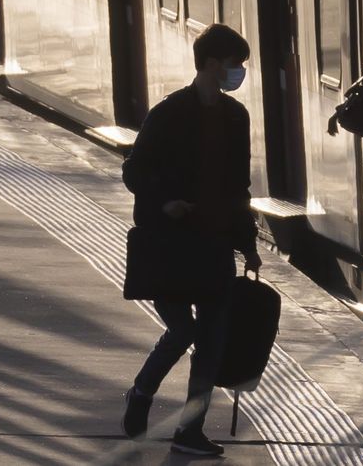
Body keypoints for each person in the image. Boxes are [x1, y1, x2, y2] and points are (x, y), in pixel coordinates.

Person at [120, 24, 261, 458]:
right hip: (169, 245)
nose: (238, 72)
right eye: (235, 64)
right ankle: (142, 390)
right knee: (183, 330)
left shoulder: (236, 117)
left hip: (215, 243)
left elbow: (239, 187)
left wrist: (249, 242)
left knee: (212, 342)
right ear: (213, 64)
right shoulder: (169, 113)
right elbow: (134, 171)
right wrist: (166, 202)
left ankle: (189, 430)